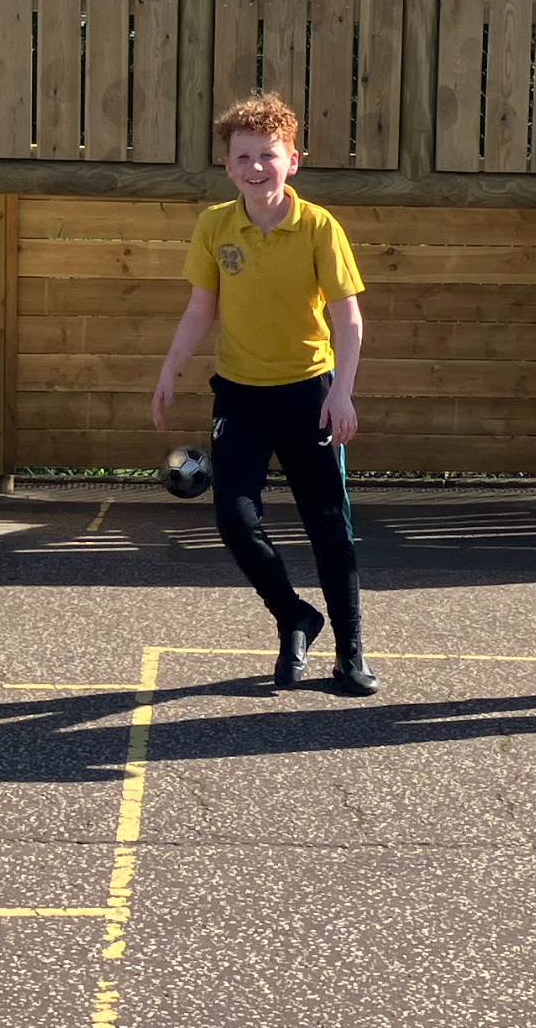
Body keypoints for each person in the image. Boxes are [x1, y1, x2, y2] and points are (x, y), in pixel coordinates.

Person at [153, 93, 378, 695]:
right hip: (240, 397)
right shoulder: (214, 227)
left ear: (293, 160)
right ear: (228, 167)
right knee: (234, 519)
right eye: (244, 157)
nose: (257, 167)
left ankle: (351, 651)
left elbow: (348, 320)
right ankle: (294, 617)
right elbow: (201, 310)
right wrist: (171, 366)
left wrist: (345, 395)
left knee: (329, 525)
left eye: (268, 155)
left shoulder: (319, 227)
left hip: (310, 395)